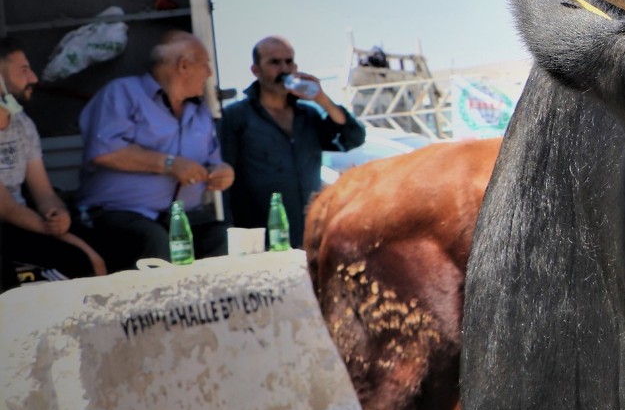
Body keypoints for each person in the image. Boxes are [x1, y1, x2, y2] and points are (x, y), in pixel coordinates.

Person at [76, 31, 232, 270]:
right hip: (117, 214)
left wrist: (222, 172)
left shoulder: (200, 112)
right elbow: (104, 150)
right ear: (183, 66)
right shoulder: (123, 93)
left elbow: (214, 162)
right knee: (154, 244)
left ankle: (208, 308)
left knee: (225, 239)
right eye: (205, 65)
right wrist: (170, 164)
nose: (209, 73)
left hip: (181, 217)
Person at [220, 36, 365, 248]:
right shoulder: (236, 117)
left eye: (289, 62)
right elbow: (224, 181)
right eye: (274, 62)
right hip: (262, 240)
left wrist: (321, 98)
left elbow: (353, 137)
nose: (284, 69)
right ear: (256, 71)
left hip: (310, 236)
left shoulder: (307, 115)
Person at [0, 39, 105, 287]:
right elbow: (6, 209)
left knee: (110, 246)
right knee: (78, 260)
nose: (34, 78)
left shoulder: (22, 124)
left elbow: (44, 192)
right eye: (23, 70)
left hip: (23, 225)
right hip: (8, 226)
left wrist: (59, 216)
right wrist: (70, 240)